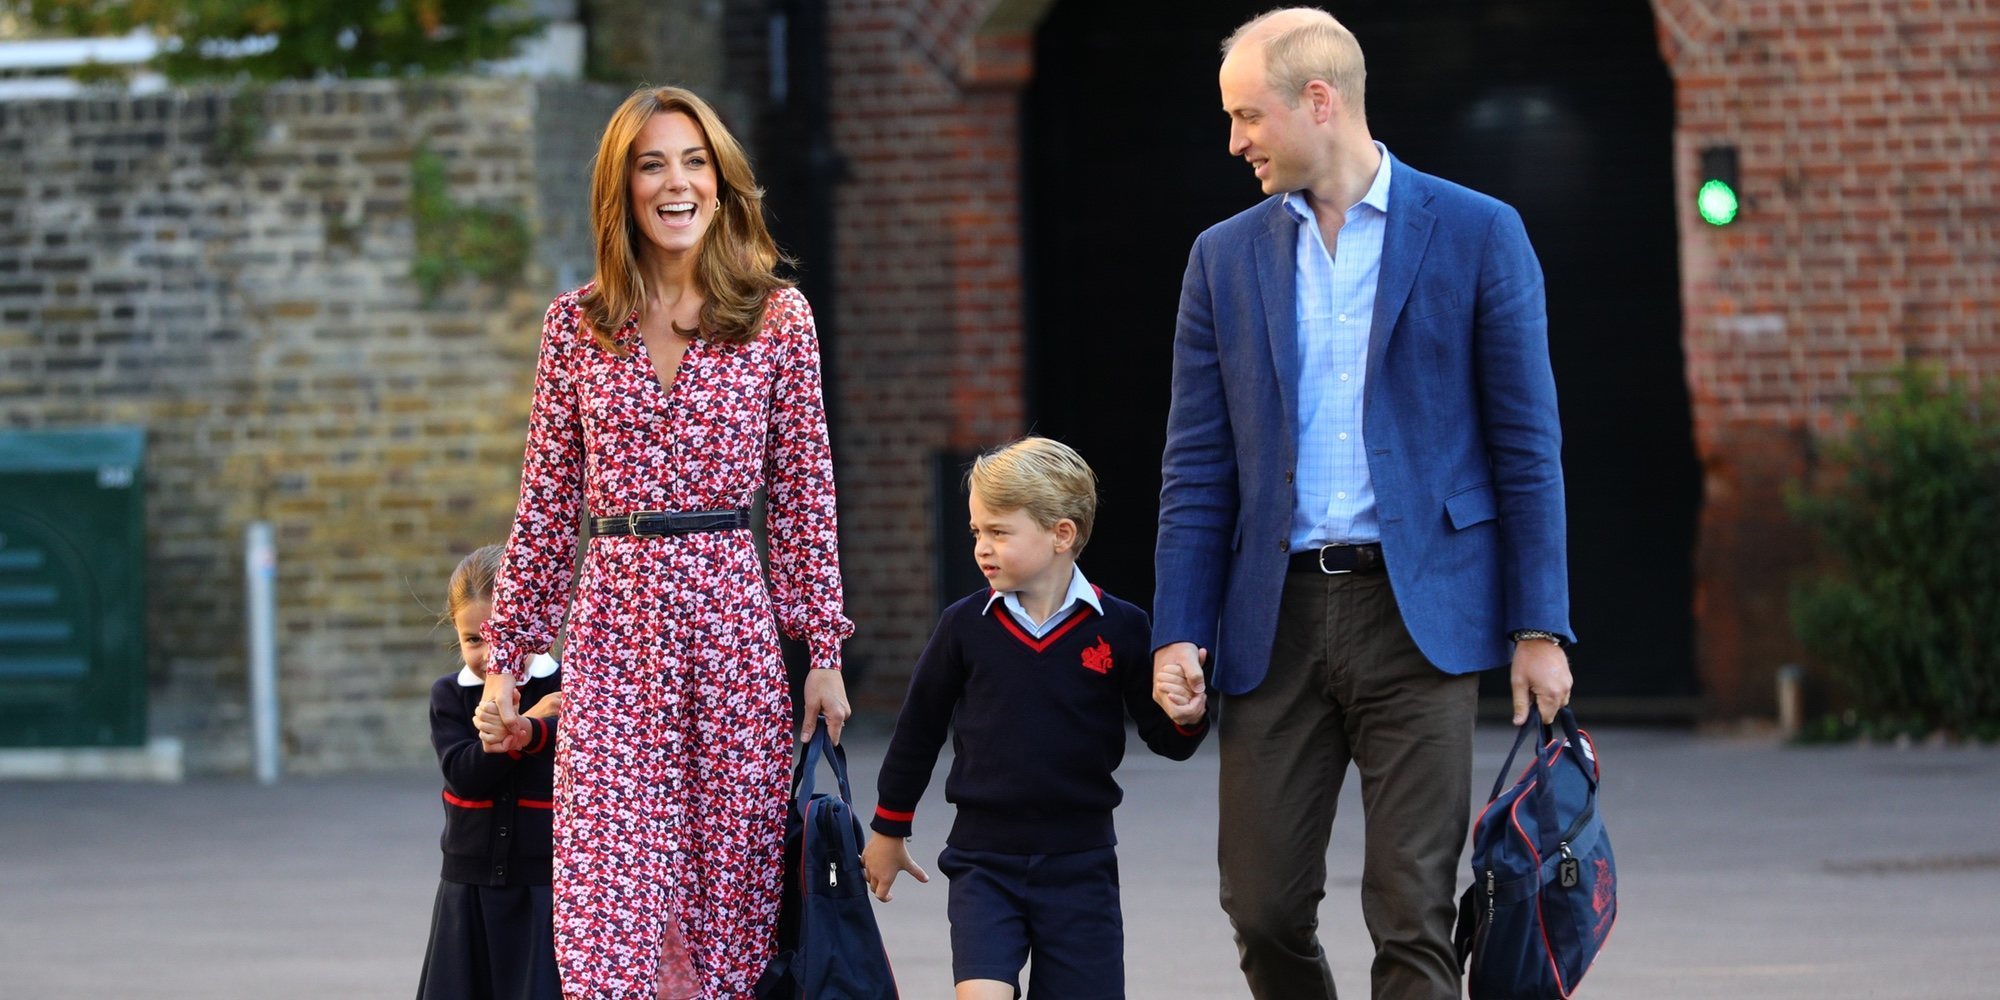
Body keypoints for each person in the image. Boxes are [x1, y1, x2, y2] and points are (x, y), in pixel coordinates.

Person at [1149, 8, 1577, 1000]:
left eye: (1247, 115)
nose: (1233, 141)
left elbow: (1527, 449)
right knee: (1259, 907)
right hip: (1273, 619)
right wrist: (1177, 628)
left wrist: (1537, 624)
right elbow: (1195, 468)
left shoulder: (1477, 233)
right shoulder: (1222, 257)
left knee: (1411, 908)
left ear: (1318, 101)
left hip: (1415, 616)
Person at [471, 86, 855, 1000]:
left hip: (731, 629)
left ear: (721, 185)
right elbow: (548, 502)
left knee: (730, 913)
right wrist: (507, 659)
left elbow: (804, 493)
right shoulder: (576, 325)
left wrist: (823, 652)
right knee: (608, 913)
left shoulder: (776, 318)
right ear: (623, 189)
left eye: (693, 163)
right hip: (613, 634)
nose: (676, 183)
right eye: (652, 164)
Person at [861, 436, 1208, 1000]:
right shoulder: (963, 626)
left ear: (1061, 534)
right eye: (977, 532)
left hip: (1081, 865)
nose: (982, 548)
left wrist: (1188, 714)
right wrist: (887, 829)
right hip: (982, 863)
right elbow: (918, 730)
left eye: (999, 531)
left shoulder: (1122, 627)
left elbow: (1167, 738)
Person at [418, 544, 564, 1000]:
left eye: (500, 638)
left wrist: (532, 727)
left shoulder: (567, 686)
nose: (486, 655)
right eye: (473, 639)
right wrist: (522, 728)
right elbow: (463, 773)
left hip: (545, 891)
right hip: (468, 889)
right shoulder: (450, 696)